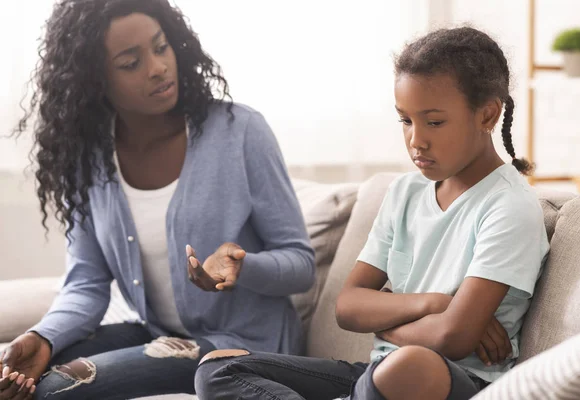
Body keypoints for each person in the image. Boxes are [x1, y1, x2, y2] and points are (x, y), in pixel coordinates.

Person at [194, 27, 550, 400]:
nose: (416, 140)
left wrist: (386, 327)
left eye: (434, 121)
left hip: (452, 380)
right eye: (405, 120)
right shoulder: (404, 192)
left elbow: (453, 337)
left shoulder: (508, 206)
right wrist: (437, 303)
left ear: (487, 115)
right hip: (376, 374)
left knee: (412, 364)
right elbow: (348, 307)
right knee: (218, 367)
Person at [0, 0, 315, 399]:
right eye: (131, 63)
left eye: (161, 47)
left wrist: (242, 265)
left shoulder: (240, 132)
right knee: (26, 377)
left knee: (59, 387)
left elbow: (301, 265)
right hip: (160, 336)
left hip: (241, 346)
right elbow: (87, 283)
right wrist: (43, 337)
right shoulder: (89, 159)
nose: (158, 67)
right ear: (94, 80)